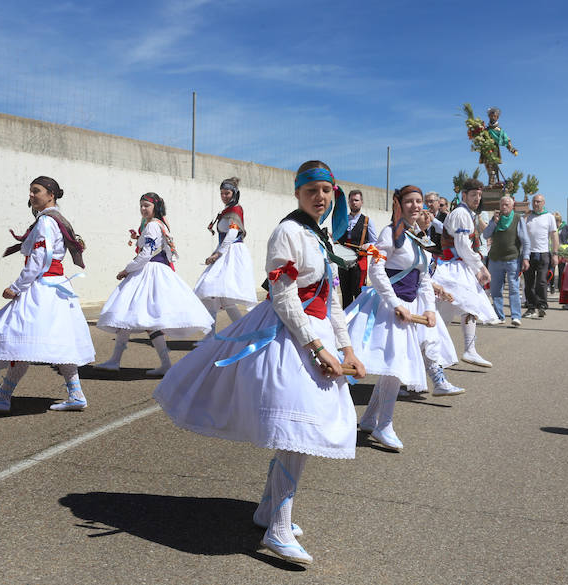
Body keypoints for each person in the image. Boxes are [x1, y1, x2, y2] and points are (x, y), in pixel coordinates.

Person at [154, 161, 365, 566]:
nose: (320, 197)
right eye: (311, 191)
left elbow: (333, 297)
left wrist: (347, 347)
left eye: (326, 190)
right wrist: (317, 348)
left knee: (298, 431)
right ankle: (278, 528)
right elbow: (284, 296)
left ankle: (269, 512)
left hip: (314, 332)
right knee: (295, 430)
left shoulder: (320, 235)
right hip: (289, 336)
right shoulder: (287, 231)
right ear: (297, 193)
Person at [0, 176, 95, 413]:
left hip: (42, 287)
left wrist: (16, 287)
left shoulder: (46, 222)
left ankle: (3, 397)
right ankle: (75, 394)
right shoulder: (56, 220)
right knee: (55, 343)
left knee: (20, 340)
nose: (32, 195)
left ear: (51, 194)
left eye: (37, 191)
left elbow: (39, 260)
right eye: (30, 191)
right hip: (56, 287)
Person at [346, 186, 455, 451]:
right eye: (410, 202)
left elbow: (424, 278)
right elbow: (376, 270)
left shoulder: (418, 236)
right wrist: (394, 303)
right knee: (395, 366)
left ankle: (371, 418)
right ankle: (384, 424)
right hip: (387, 309)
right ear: (399, 204)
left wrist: (429, 308)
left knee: (392, 368)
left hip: (408, 309)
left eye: (419, 202)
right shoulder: (388, 233)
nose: (416, 206)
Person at [95, 192, 213, 375]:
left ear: (155, 207)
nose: (143, 209)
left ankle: (119, 361)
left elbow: (146, 253)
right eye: (141, 205)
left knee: (131, 314)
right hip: (157, 271)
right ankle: (121, 361)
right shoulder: (161, 225)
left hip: (149, 272)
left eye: (146, 206)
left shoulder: (152, 226)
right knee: (136, 318)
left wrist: (128, 269)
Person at [432, 178, 497, 367]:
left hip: (456, 266)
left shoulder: (466, 213)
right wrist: (480, 267)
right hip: (453, 267)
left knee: (463, 308)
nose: (477, 198)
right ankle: (435, 354)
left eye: (479, 195)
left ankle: (466, 350)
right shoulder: (461, 213)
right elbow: (462, 246)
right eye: (473, 195)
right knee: (452, 310)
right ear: (464, 195)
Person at [193, 177, 258, 340]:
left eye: (227, 193)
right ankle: (212, 337)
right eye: (222, 193)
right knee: (215, 295)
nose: (224, 196)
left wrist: (217, 254)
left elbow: (232, 233)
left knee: (212, 291)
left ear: (234, 193)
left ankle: (243, 332)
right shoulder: (227, 210)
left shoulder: (236, 209)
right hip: (224, 251)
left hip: (231, 253)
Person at [481, 195, 530, 326]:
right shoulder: (495, 219)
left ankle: (516, 316)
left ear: (512, 206)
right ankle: (499, 316)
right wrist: (494, 222)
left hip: (512, 259)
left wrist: (526, 257)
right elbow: (486, 235)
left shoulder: (518, 219)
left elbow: (525, 240)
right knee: (496, 290)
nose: (504, 207)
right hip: (495, 259)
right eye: (502, 204)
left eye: (507, 204)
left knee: (514, 288)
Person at [335, 188, 377, 307]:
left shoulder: (367, 221)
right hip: (343, 263)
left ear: (361, 202)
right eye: (351, 200)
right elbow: (337, 239)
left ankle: (359, 321)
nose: (354, 203)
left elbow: (375, 242)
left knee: (358, 294)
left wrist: (367, 245)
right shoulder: (343, 220)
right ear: (348, 202)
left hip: (359, 263)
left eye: (356, 200)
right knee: (345, 293)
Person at [522, 194, 559, 319]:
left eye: (538, 201)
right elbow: (521, 231)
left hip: (543, 253)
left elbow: (554, 236)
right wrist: (526, 216)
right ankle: (531, 307)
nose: (536, 204)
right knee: (528, 282)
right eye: (534, 201)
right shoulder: (528, 216)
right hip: (528, 253)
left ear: (543, 203)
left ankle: (542, 306)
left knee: (542, 282)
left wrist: (555, 254)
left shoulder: (549, 217)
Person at [553, 211, 568, 292]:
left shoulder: (565, 227)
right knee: (551, 269)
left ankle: (561, 287)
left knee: (561, 270)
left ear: (558, 220)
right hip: (553, 250)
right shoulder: (552, 228)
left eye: (555, 221)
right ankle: (552, 285)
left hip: (563, 251)